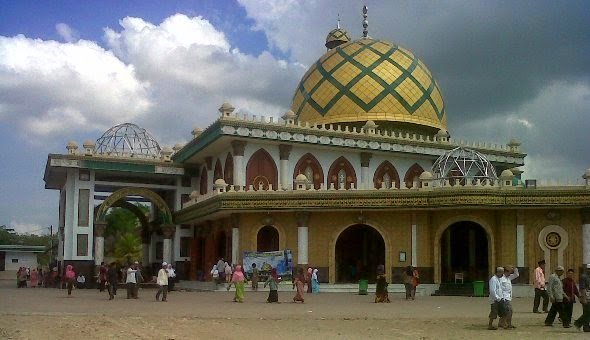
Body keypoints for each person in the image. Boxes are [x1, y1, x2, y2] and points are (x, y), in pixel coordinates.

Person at [574, 263, 590, 332]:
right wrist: (583, 298)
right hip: (586, 297)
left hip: (588, 296)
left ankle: (585, 326)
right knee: (587, 312)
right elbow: (582, 288)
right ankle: (578, 323)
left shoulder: (587, 276)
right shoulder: (584, 277)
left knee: (587, 312)